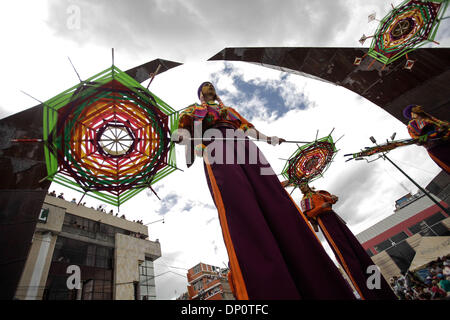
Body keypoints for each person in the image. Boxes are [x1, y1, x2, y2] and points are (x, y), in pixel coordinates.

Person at [173, 82, 356, 300]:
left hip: (243, 145)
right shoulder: (193, 111)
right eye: (206, 87)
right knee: (237, 199)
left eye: (212, 86)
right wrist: (190, 143)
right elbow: (182, 134)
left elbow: (247, 129)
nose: (210, 88)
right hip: (215, 144)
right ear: (200, 92)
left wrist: (270, 139)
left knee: (274, 196)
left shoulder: (229, 111)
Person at [285, 182, 397, 300]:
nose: (302, 187)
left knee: (356, 248)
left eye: (303, 185)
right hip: (324, 221)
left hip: (333, 217)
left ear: (307, 185)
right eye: (300, 186)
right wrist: (321, 207)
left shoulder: (319, 193)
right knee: (344, 253)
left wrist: (333, 198)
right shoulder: (305, 200)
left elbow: (331, 200)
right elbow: (308, 214)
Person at [403, 104, 450, 173]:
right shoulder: (411, 125)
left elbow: (441, 124)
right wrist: (434, 134)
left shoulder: (427, 117)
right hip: (437, 149)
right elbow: (418, 141)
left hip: (446, 140)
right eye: (415, 109)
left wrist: (444, 126)